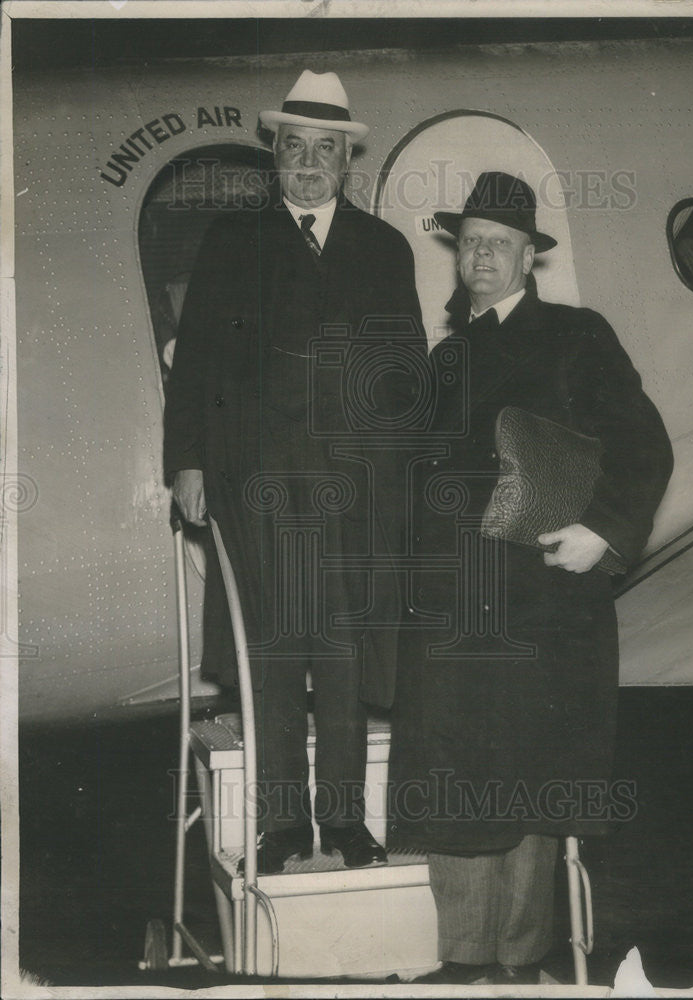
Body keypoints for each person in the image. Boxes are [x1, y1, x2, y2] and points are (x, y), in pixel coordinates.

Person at [387, 171, 673, 984]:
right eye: (470, 240)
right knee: (453, 773)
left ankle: (518, 961)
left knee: (527, 775)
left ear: (528, 257)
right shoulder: (445, 358)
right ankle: (461, 958)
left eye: (500, 243)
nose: (482, 254)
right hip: (450, 599)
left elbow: (642, 444)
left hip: (539, 596)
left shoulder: (577, 336)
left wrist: (604, 531)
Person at [164, 70, 423, 873]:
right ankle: (280, 827)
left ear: (346, 161)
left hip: (350, 487)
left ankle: (343, 820)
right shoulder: (231, 240)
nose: (309, 162)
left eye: (326, 150)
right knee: (272, 653)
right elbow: (195, 361)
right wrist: (187, 461)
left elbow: (406, 371)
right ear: (274, 154)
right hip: (257, 482)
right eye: (295, 147)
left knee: (340, 651)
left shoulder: (383, 249)